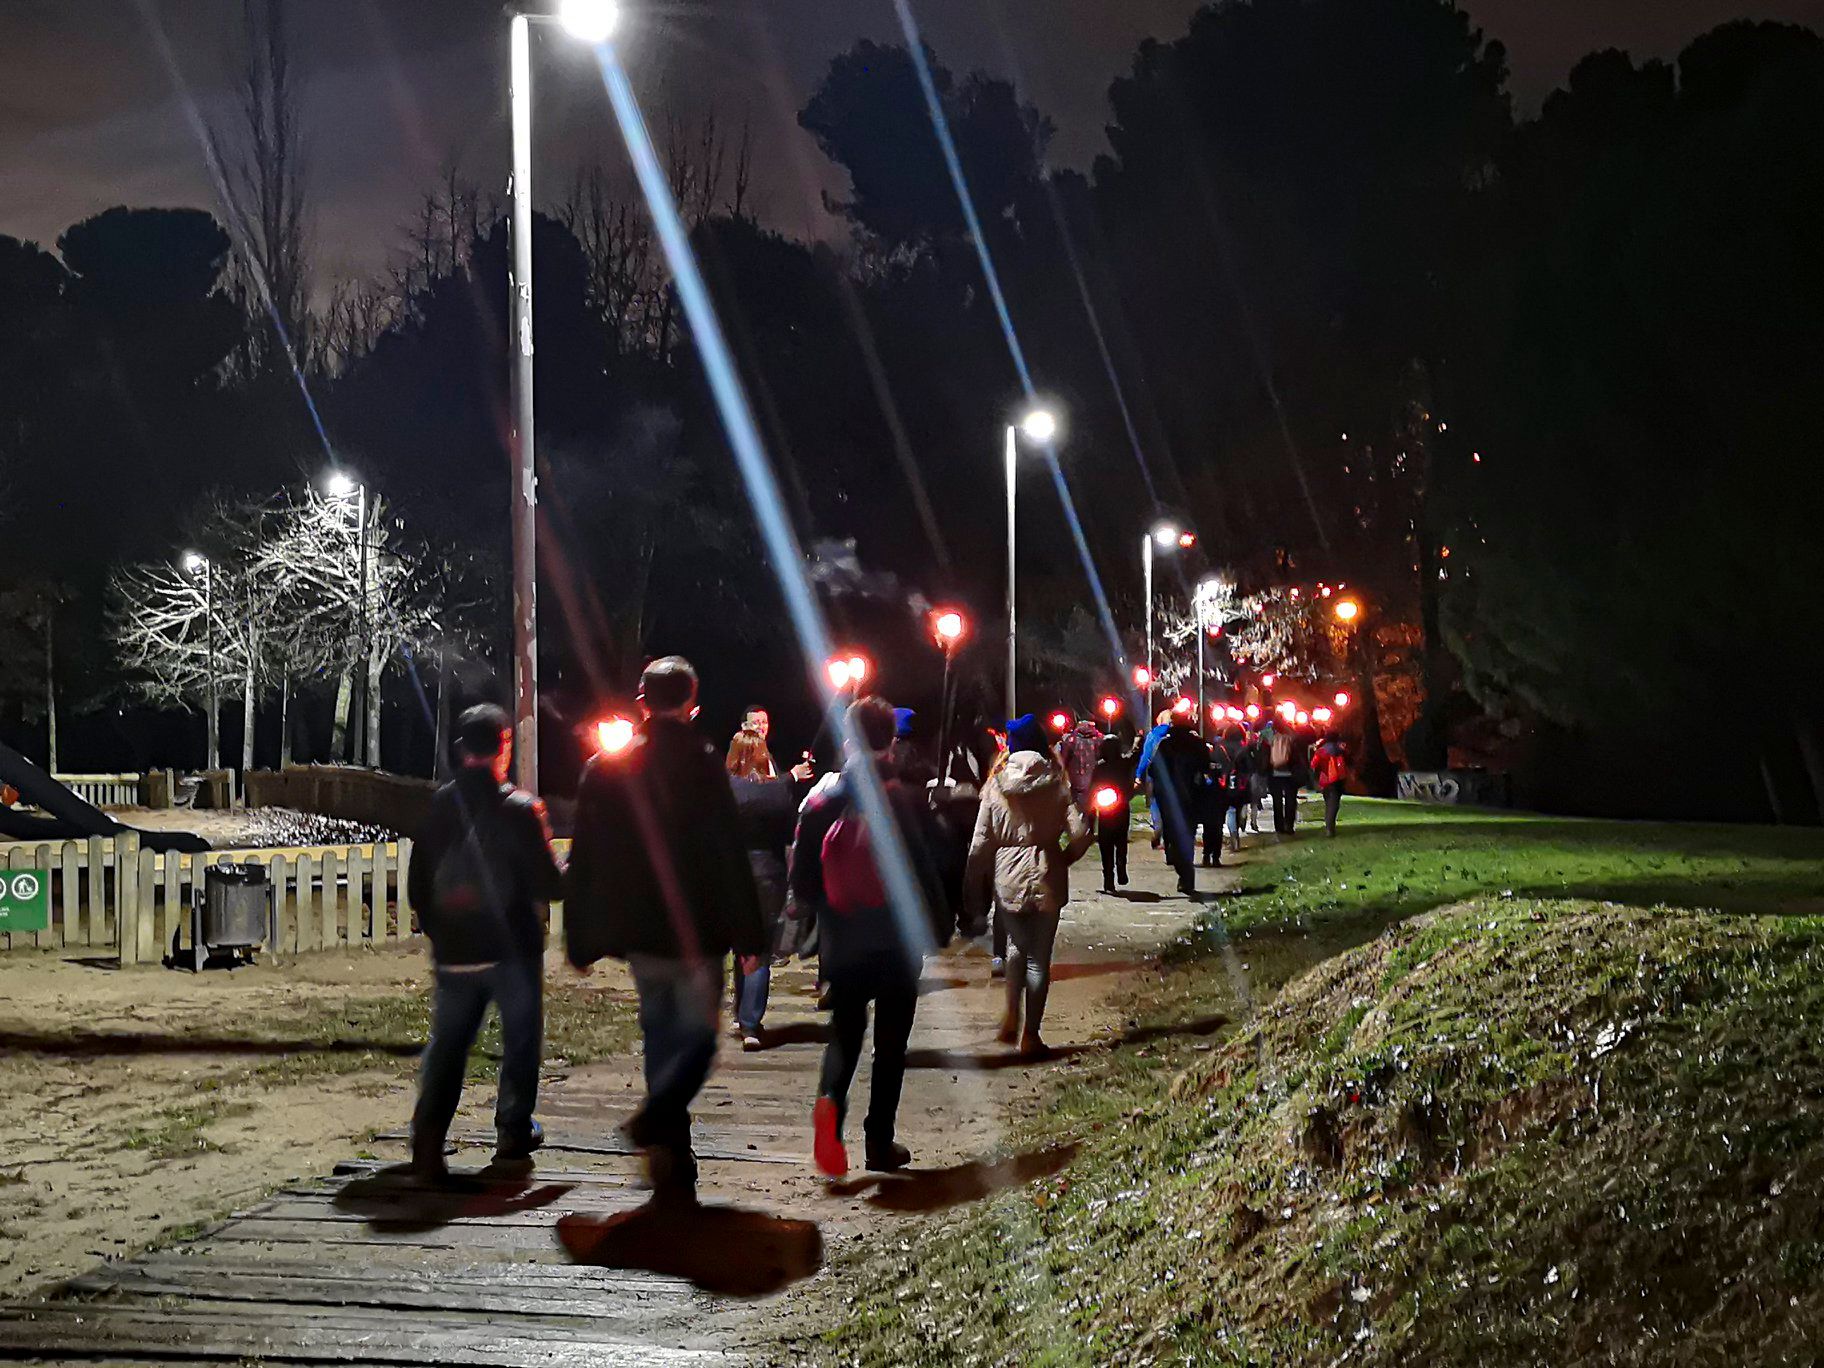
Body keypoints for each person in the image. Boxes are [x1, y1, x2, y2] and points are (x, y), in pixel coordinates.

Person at [565, 657, 768, 1205]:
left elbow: (586, 855)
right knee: (699, 1038)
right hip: (697, 927)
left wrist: (580, 934)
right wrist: (749, 934)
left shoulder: (608, 767)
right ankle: (658, 1123)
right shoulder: (703, 763)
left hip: (640, 927)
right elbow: (728, 851)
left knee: (660, 1033)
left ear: (641, 699)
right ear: (691, 698)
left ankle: (670, 1153)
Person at [791, 695, 951, 1177]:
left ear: (849, 737)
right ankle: (878, 1141)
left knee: (844, 1032)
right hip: (897, 939)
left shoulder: (826, 799)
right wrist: (940, 928)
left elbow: (801, 874)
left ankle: (828, 1110)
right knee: (891, 1043)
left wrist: (819, 913)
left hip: (844, 934)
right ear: (891, 740)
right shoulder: (903, 798)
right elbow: (932, 866)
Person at [407, 704, 565, 1183]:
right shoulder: (520, 808)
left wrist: (441, 932)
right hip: (511, 950)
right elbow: (548, 884)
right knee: (519, 1042)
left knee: (448, 1046)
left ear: (461, 749)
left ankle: (429, 1141)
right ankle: (512, 1130)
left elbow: (419, 881)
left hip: (456, 952)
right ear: (504, 745)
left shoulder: (440, 804)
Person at [966, 715, 1093, 1057]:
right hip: (1048, 871)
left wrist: (971, 883)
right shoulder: (1056, 783)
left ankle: (1011, 1013)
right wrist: (1064, 857)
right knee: (1039, 958)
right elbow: (1081, 833)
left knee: (1015, 950)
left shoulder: (995, 786)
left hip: (1007, 875)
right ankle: (1031, 1035)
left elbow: (980, 842)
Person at [726, 729, 797, 1050]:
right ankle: (751, 1022)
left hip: (734, 871)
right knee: (761, 947)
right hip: (769, 870)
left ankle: (742, 1014)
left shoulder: (725, 790)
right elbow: (787, 835)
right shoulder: (778, 793)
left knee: (741, 944)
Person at [1151, 710, 1212, 895]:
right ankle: (1187, 876)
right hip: (1191, 798)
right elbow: (1206, 766)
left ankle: (1183, 871)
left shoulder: (1166, 745)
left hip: (1170, 799)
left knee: (1173, 837)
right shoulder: (1197, 744)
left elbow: (1155, 771)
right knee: (1188, 835)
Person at [1089, 734, 1136, 893]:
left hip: (1114, 807)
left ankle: (1113, 873)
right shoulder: (1118, 764)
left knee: (1108, 844)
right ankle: (1113, 873)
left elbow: (1092, 787)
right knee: (1118, 841)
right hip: (1112, 808)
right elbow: (1094, 788)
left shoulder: (1103, 766)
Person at [1134, 709, 1174, 849]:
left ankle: (1158, 829)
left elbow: (1145, 757)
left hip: (1154, 774)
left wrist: (1138, 775)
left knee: (1155, 802)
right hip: (1172, 774)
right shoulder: (1174, 736)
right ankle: (1168, 837)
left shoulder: (1153, 735)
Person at [1056, 716, 1105, 811]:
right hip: (1093, 780)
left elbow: (1063, 760)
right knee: (1092, 809)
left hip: (1074, 779)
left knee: (1075, 809)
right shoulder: (1099, 739)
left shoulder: (1069, 739)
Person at [1265, 720, 1302, 837]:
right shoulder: (1291, 739)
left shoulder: (1270, 739)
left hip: (1274, 774)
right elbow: (1297, 756)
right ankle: (1289, 826)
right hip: (1289, 774)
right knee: (1290, 800)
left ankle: (1279, 826)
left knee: (1277, 801)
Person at [1311, 729, 1350, 837]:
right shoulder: (1340, 750)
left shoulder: (1321, 751)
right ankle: (1330, 826)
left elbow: (1313, 765)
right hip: (1338, 779)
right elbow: (1349, 761)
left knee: (1328, 802)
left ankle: (1329, 826)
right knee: (1334, 803)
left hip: (1325, 780)